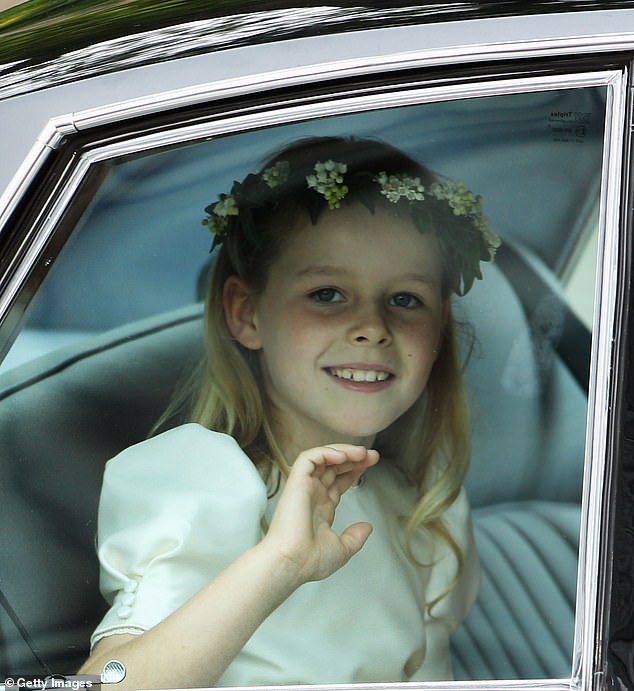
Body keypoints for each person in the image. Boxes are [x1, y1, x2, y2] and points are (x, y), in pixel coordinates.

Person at [79, 136, 500, 688]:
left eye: (404, 299)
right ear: (247, 313)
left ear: (439, 328)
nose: (372, 326)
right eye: (327, 294)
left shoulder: (425, 507)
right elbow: (103, 685)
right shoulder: (202, 479)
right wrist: (279, 565)